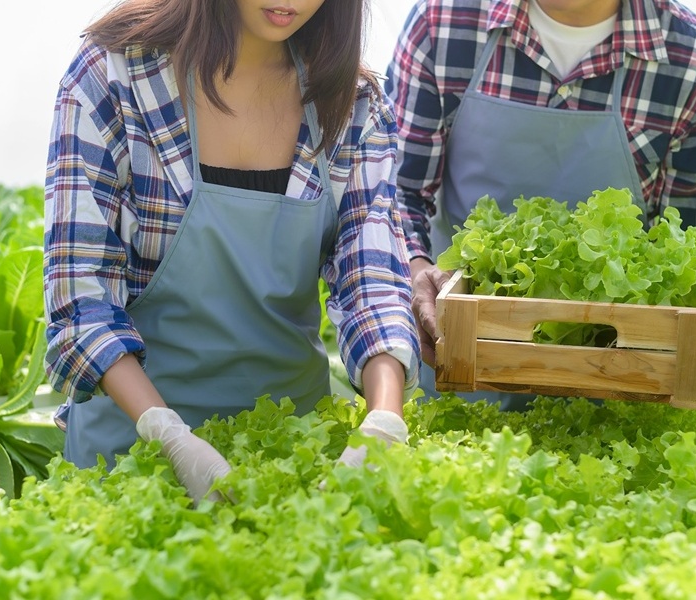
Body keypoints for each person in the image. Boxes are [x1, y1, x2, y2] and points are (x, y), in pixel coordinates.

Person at [43, 0, 419, 503]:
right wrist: (171, 438)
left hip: (294, 456)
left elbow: (370, 280)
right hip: (133, 451)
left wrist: (384, 419)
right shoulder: (114, 76)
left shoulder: (351, 103)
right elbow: (81, 301)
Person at [385, 0, 696, 408]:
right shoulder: (445, 22)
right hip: (457, 371)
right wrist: (417, 271)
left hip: (618, 389)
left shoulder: (694, 61)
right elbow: (396, 193)